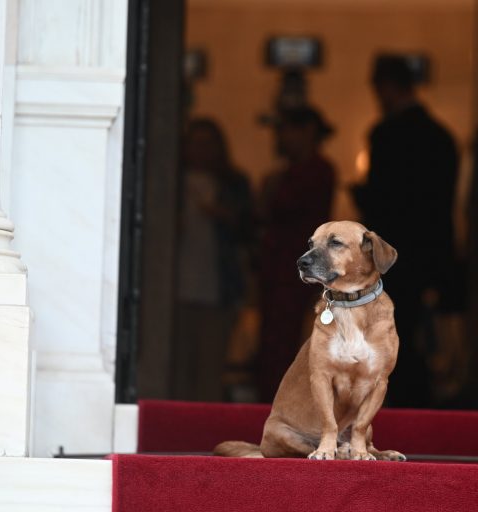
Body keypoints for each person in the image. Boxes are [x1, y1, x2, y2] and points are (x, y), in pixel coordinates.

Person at [353, 55, 459, 408]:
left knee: (389, 338)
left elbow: (384, 202)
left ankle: (397, 409)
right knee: (418, 339)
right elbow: (441, 206)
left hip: (394, 256)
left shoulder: (387, 135)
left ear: (386, 87)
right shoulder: (442, 137)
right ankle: (421, 411)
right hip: (431, 254)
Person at [257, 105, 337, 402]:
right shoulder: (289, 172)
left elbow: (281, 210)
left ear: (308, 132)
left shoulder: (317, 171)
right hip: (278, 267)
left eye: (288, 130)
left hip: (299, 269)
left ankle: (289, 401)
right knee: (274, 339)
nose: (282, 138)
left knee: (289, 338)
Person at [175, 118, 254, 401]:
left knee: (211, 367)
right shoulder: (171, 181)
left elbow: (250, 229)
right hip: (177, 287)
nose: (200, 150)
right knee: (178, 365)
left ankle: (202, 433)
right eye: (194, 143)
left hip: (219, 287)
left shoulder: (233, 183)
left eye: (207, 144)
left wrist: (224, 215)